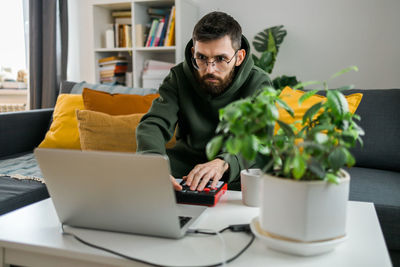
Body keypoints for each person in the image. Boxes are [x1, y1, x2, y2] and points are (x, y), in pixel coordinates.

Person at [136, 11, 271, 191]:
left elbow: (259, 139)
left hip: (235, 170)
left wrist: (223, 162)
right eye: (201, 58)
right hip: (185, 168)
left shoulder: (259, 82)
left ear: (239, 57)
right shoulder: (178, 77)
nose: (210, 69)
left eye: (221, 59)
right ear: (193, 52)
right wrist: (152, 164)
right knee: (140, 179)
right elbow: (154, 123)